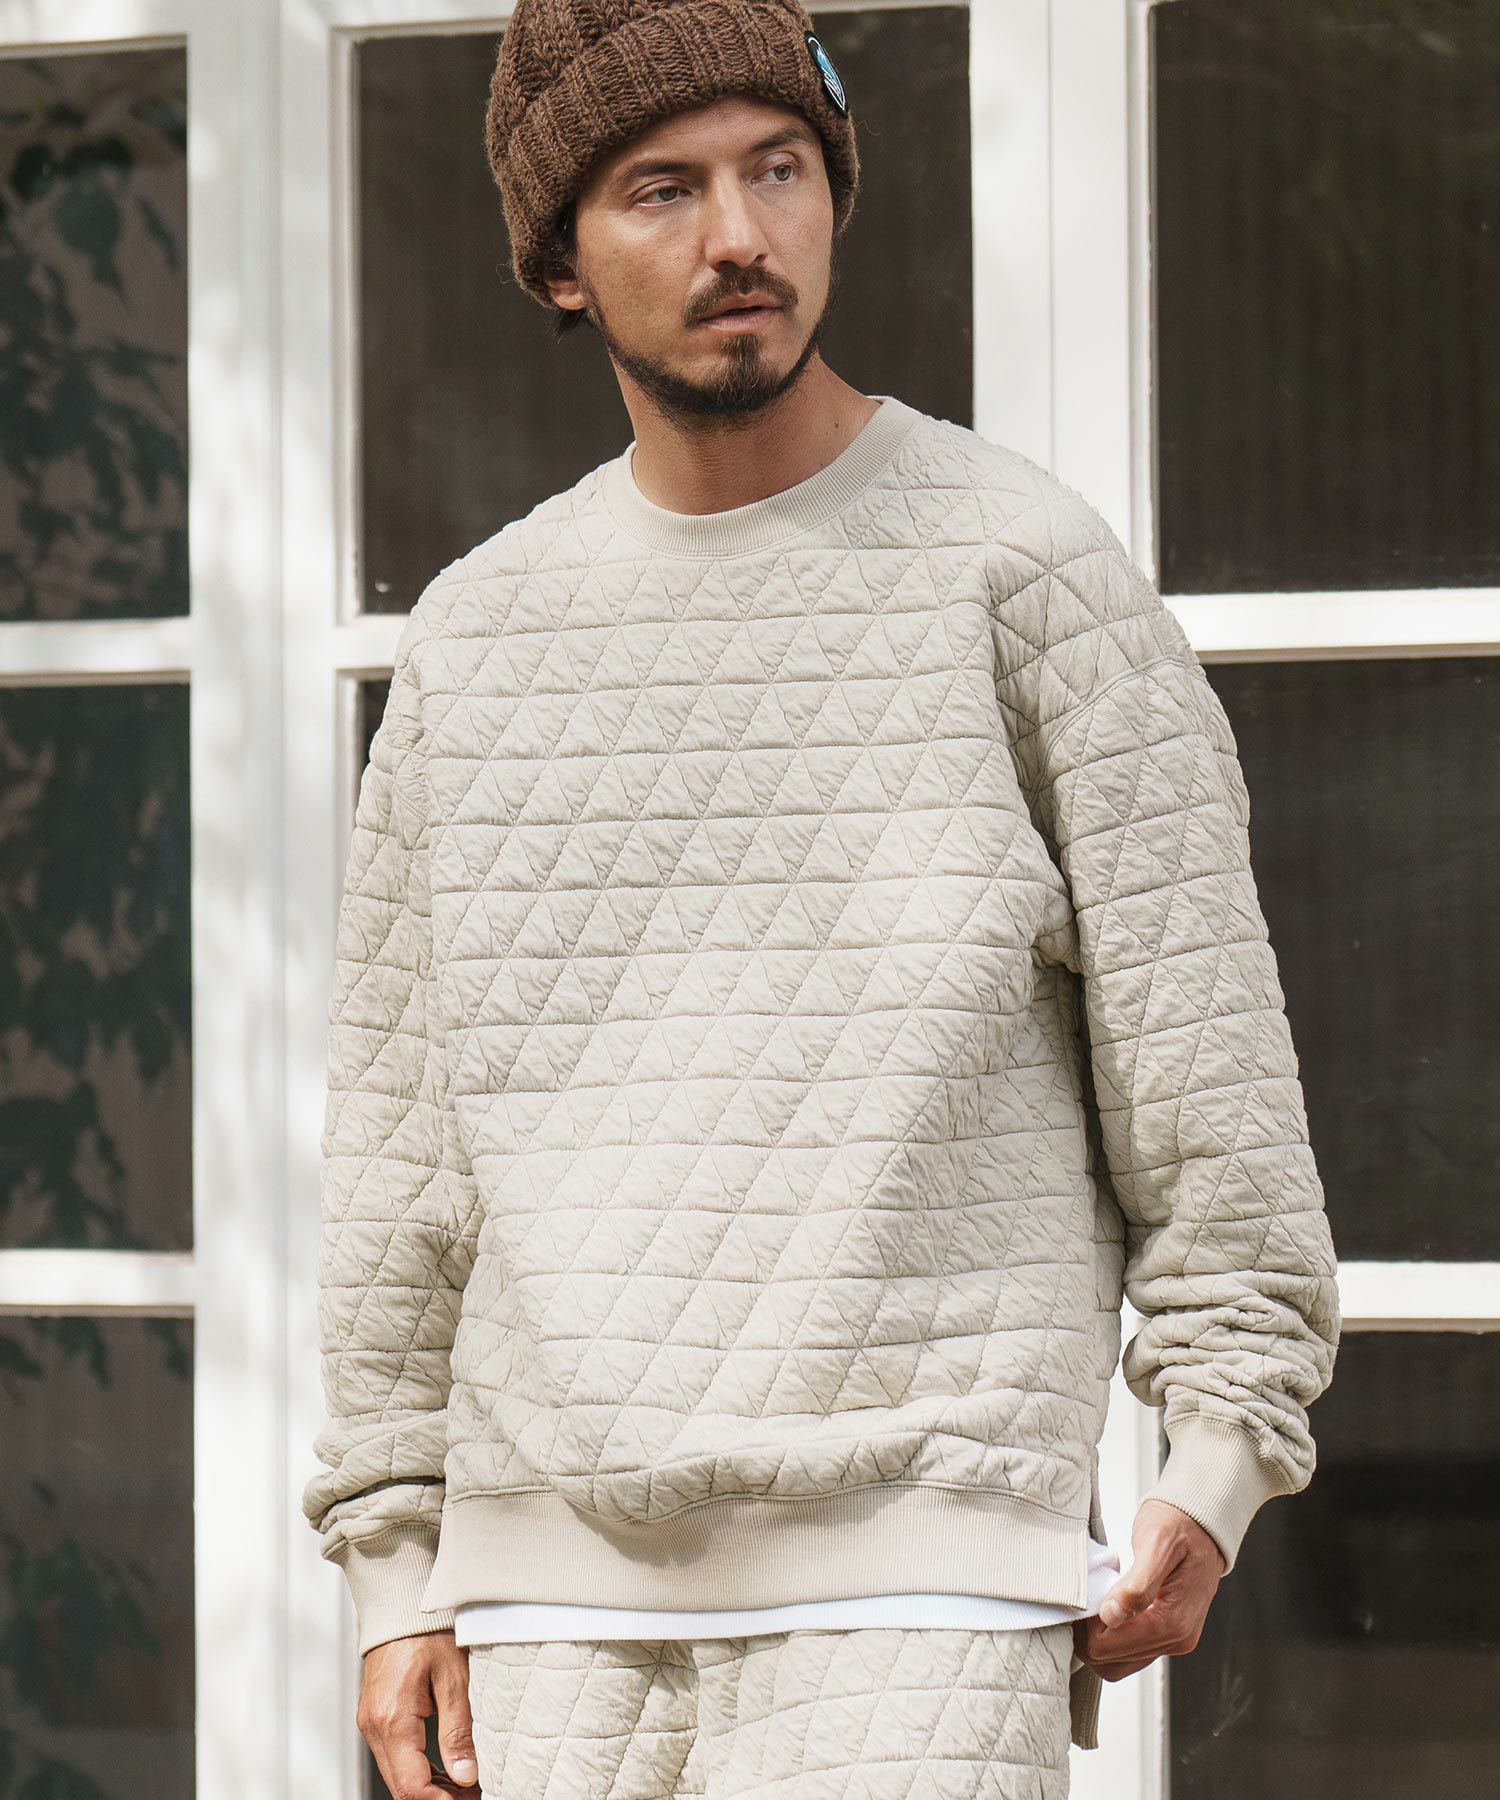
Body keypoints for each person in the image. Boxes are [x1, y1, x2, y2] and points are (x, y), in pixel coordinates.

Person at [301, 2, 1342, 1795]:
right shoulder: (476, 640)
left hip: (926, 1591)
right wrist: (395, 1569)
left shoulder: (1026, 576)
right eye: (663, 189)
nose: (739, 235)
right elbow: (404, 1153)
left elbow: (1209, 1072)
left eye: (778, 170)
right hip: (542, 1617)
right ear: (558, 260)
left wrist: (1217, 1459)